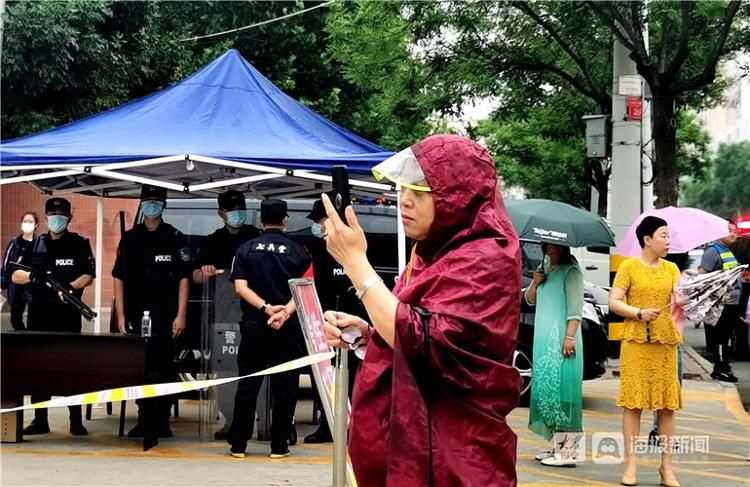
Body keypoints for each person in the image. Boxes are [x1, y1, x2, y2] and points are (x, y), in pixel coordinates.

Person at [321, 134, 522, 485]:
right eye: (403, 190)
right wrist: (368, 336)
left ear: (459, 196)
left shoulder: (487, 256)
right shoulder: (431, 252)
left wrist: (357, 264)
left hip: (452, 455)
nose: (405, 202)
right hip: (412, 446)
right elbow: (411, 330)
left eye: (422, 192)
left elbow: (429, 340)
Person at [227, 198, 311, 459]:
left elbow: (240, 287)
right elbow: (306, 287)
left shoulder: (246, 248)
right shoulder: (300, 251)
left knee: (248, 386)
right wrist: (284, 311)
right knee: (285, 389)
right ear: (285, 220)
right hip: (287, 330)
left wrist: (266, 308)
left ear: (260, 220)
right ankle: (279, 446)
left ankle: (239, 444)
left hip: (255, 326)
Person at [609, 216, 685, 487]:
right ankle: (631, 465)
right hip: (636, 343)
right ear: (647, 240)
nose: (668, 241)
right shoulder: (629, 267)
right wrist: (639, 312)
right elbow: (614, 302)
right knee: (633, 405)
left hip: (665, 344)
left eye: (668, 236)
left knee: (667, 407)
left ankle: (667, 467)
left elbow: (678, 302)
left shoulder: (672, 269)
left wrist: (685, 297)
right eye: (663, 235)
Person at [112, 184, 191, 438]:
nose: (152, 206)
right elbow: (118, 277)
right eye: (147, 201)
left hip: (166, 314)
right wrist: (121, 315)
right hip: (136, 312)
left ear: (164, 205)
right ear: (141, 204)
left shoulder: (174, 237)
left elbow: (183, 278)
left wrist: (181, 314)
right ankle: (144, 417)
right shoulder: (130, 238)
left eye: (156, 202)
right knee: (139, 367)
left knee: (164, 366)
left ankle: (162, 418)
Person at [12, 198, 95, 436]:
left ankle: (76, 420)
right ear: (46, 216)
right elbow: (14, 274)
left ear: (70, 217)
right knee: (40, 368)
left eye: (61, 214)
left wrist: (70, 287)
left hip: (68, 315)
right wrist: (33, 278)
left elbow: (88, 275)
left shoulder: (78, 243)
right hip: (39, 314)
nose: (57, 217)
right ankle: (40, 419)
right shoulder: (34, 244)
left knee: (71, 368)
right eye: (52, 213)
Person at [288, 197, 362, 444]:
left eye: (320, 221)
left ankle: (352, 425)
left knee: (350, 376)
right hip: (324, 325)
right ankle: (327, 423)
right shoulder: (318, 249)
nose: (318, 227)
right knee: (324, 373)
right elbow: (310, 283)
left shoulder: (354, 247)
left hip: (351, 325)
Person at [524, 243, 584, 467]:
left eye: (550, 243)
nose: (545, 246)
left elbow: (576, 309)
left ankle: (568, 452)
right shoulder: (545, 269)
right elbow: (530, 300)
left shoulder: (572, 272)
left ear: (561, 245)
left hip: (561, 341)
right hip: (543, 341)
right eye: (544, 243)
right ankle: (557, 447)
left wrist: (569, 337)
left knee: (564, 391)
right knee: (549, 392)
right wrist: (535, 282)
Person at [648, 253, 689, 446]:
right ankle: (659, 431)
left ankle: (660, 430)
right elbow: (682, 302)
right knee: (670, 385)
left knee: (668, 386)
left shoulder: (681, 277)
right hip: (668, 339)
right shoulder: (679, 279)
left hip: (670, 338)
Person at [699, 220, 741, 382]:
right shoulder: (712, 250)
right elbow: (703, 275)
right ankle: (720, 368)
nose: (733, 233)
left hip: (731, 302)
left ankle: (725, 367)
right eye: (729, 230)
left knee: (727, 335)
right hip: (721, 303)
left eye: (735, 230)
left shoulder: (726, 250)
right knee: (721, 337)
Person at [192, 189, 259, 285]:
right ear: (221, 213)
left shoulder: (255, 235)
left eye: (240, 208)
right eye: (231, 210)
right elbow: (196, 276)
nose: (237, 212)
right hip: (223, 295)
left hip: (253, 295)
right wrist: (206, 272)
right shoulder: (212, 241)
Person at [2, 211, 38, 330]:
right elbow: (6, 264)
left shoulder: (40, 243)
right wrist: (3, 283)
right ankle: (23, 338)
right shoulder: (15, 243)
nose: (27, 224)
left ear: (36, 225)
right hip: (17, 285)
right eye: (25, 221)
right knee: (15, 319)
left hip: (33, 285)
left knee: (34, 319)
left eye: (30, 222)